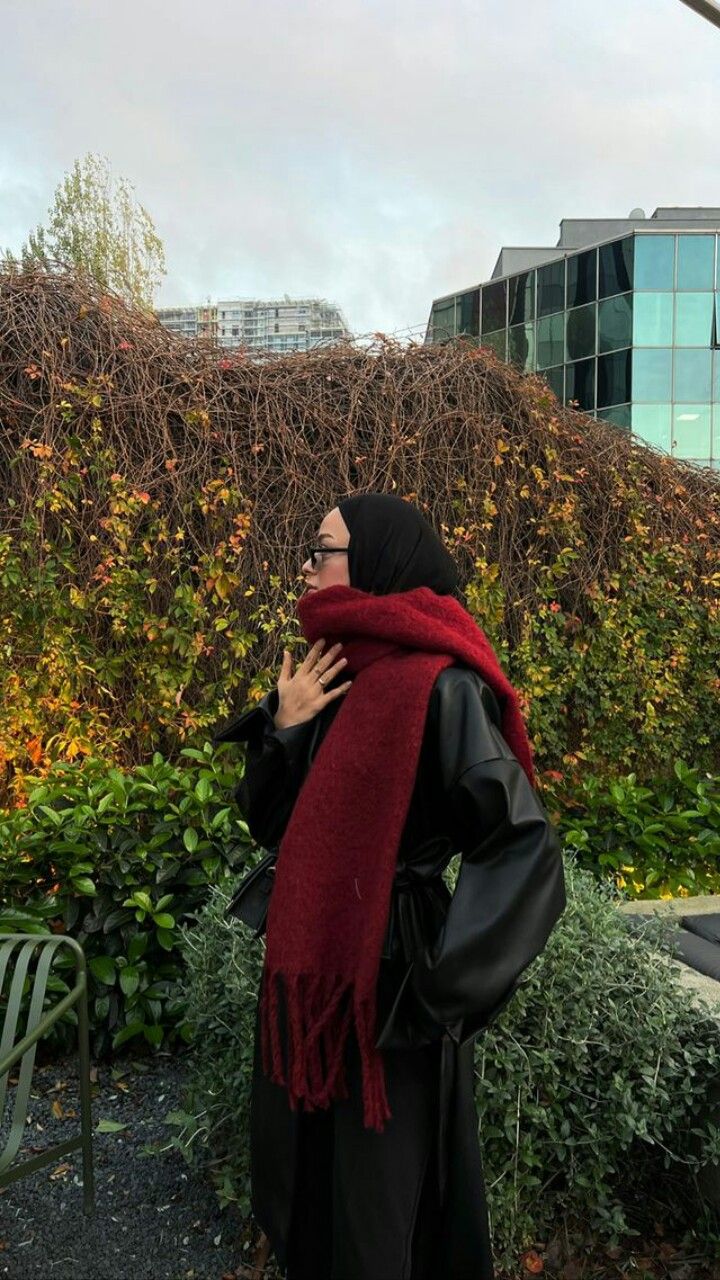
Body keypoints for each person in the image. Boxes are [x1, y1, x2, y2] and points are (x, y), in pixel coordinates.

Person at [214, 491, 567, 1280]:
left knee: (382, 1212)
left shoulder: (440, 686)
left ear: (375, 561)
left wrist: (441, 990)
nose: (307, 569)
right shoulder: (331, 674)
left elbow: (522, 846)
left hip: (392, 995)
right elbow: (272, 826)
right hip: (317, 983)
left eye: (322, 551)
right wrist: (286, 729)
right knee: (308, 1190)